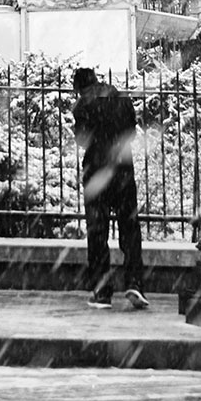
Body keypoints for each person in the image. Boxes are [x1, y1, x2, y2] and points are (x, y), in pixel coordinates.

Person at [72, 66, 148, 311]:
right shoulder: (121, 99)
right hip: (123, 169)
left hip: (96, 172)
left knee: (98, 231)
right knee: (130, 227)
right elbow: (132, 134)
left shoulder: (82, 105)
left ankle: (102, 290)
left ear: (79, 87)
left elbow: (83, 140)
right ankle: (134, 282)